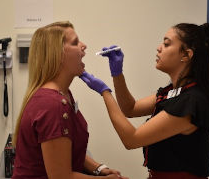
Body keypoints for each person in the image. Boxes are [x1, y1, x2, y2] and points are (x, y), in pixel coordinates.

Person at [80, 23, 209, 179]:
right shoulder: (173, 92)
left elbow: (131, 139)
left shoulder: (191, 100)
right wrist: (117, 73)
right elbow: (130, 108)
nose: (159, 48)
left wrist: (105, 92)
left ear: (186, 55)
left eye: (166, 44)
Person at [12, 21, 128, 179]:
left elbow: (64, 150)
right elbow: (61, 176)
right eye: (75, 42)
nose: (84, 45)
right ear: (58, 55)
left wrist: (98, 168)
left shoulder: (63, 95)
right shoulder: (52, 104)